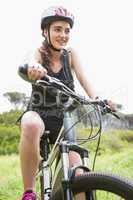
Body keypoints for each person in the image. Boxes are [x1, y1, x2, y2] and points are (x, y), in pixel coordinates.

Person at [18, 6, 116, 200]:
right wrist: (33, 68)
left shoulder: (70, 55)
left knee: (79, 175)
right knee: (30, 123)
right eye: (57, 29)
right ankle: (29, 192)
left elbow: (83, 78)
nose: (63, 34)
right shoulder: (37, 52)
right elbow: (30, 61)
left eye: (67, 30)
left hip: (65, 121)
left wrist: (98, 100)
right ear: (45, 31)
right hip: (39, 114)